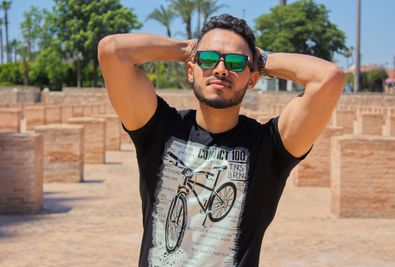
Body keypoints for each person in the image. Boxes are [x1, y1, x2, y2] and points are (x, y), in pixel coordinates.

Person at [98, 14, 344, 267]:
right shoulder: (160, 131)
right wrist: (187, 49)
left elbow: (329, 77)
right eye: (208, 59)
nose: (220, 69)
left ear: (252, 79)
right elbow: (112, 51)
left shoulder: (269, 148)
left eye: (236, 62)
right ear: (191, 70)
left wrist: (261, 59)